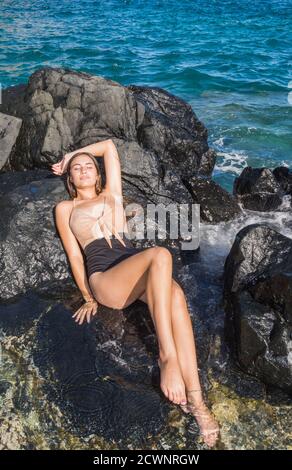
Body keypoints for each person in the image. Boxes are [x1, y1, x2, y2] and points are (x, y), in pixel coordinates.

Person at [52, 139, 220, 447]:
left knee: (176, 294)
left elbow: (109, 148)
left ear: (98, 175)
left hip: (132, 266)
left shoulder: (112, 194)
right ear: (70, 180)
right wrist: (88, 296)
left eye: (88, 166)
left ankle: (197, 403)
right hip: (105, 277)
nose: (84, 169)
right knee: (160, 254)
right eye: (76, 168)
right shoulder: (66, 208)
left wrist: (69, 154)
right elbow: (75, 255)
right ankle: (167, 358)